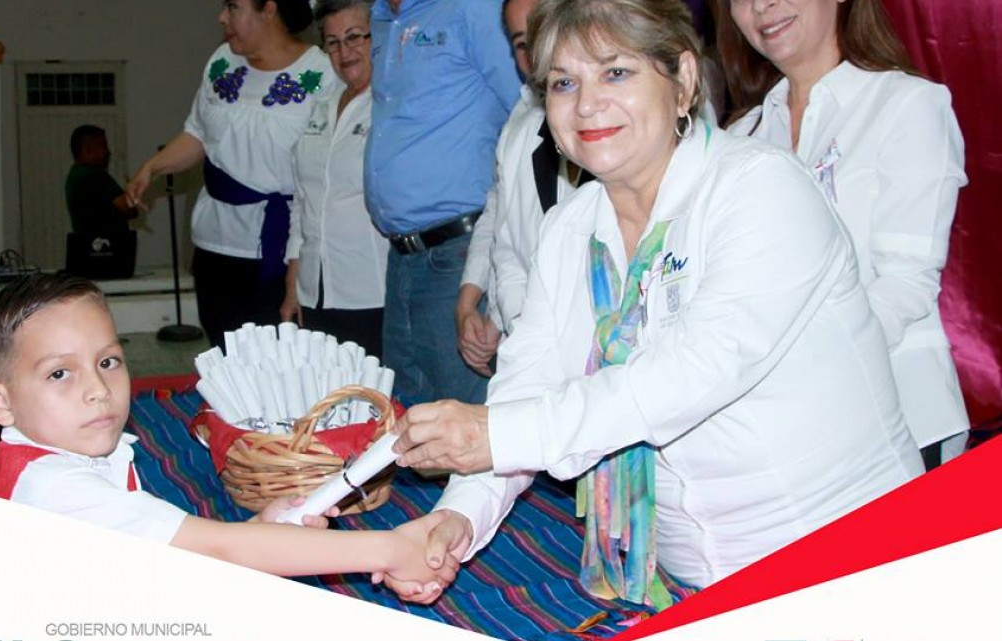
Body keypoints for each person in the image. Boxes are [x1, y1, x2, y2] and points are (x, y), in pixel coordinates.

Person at [378, 0, 923, 608]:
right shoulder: (570, 229)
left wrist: (497, 432)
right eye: (563, 82)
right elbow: (525, 386)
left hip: (844, 565)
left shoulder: (761, 190)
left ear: (684, 80)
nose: (587, 104)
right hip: (683, 584)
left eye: (616, 72)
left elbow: (689, 375)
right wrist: (457, 520)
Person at [0, 273, 457, 587]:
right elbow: (220, 550)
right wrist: (391, 549)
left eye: (108, 361)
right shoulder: (55, 487)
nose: (98, 389)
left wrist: (257, 530)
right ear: (1, 402)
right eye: (60, 373)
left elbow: (183, 551)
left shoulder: (69, 458)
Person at [716, 0, 970, 467]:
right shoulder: (740, 136)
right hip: (782, 436)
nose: (762, 6)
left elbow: (905, 285)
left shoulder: (907, 104)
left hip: (900, 415)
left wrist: (799, 363)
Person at [126, 0, 334, 352]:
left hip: (283, 252)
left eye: (233, 7)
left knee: (278, 362)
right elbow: (198, 134)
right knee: (225, 360)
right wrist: (153, 166)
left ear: (269, 9)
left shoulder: (322, 73)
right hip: (216, 247)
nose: (221, 17)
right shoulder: (221, 62)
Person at [365, 0, 521, 405]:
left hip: (458, 251)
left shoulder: (471, 8)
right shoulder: (382, 16)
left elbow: (529, 112)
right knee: (408, 414)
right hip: (401, 254)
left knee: (464, 420)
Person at [455, 0, 582, 377]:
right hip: (530, 338)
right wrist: (475, 302)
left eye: (545, 33)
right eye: (523, 44)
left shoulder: (603, 121)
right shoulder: (520, 121)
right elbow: (503, 225)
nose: (537, 53)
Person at [280, 0, 388, 357]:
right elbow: (303, 203)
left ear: (378, 36)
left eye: (355, 37)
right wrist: (293, 286)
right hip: (315, 290)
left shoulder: (392, 106)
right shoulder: (320, 106)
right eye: (333, 42)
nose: (345, 51)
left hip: (372, 291)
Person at [65, 125, 137, 235]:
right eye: (103, 146)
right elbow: (128, 209)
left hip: (87, 247)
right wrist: (132, 191)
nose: (108, 152)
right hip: (107, 247)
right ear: (87, 150)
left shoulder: (74, 174)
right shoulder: (95, 176)